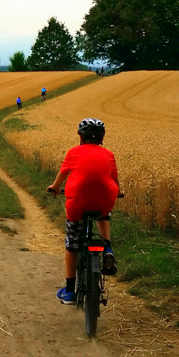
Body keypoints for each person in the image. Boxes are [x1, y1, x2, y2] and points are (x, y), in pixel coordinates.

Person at [46, 118, 119, 305]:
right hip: (104, 199)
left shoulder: (74, 152)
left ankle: (70, 291)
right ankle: (107, 247)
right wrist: (117, 192)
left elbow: (62, 175)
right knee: (104, 214)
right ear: (102, 138)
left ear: (81, 136)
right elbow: (115, 180)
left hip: (77, 201)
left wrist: (54, 187)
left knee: (72, 242)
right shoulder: (109, 155)